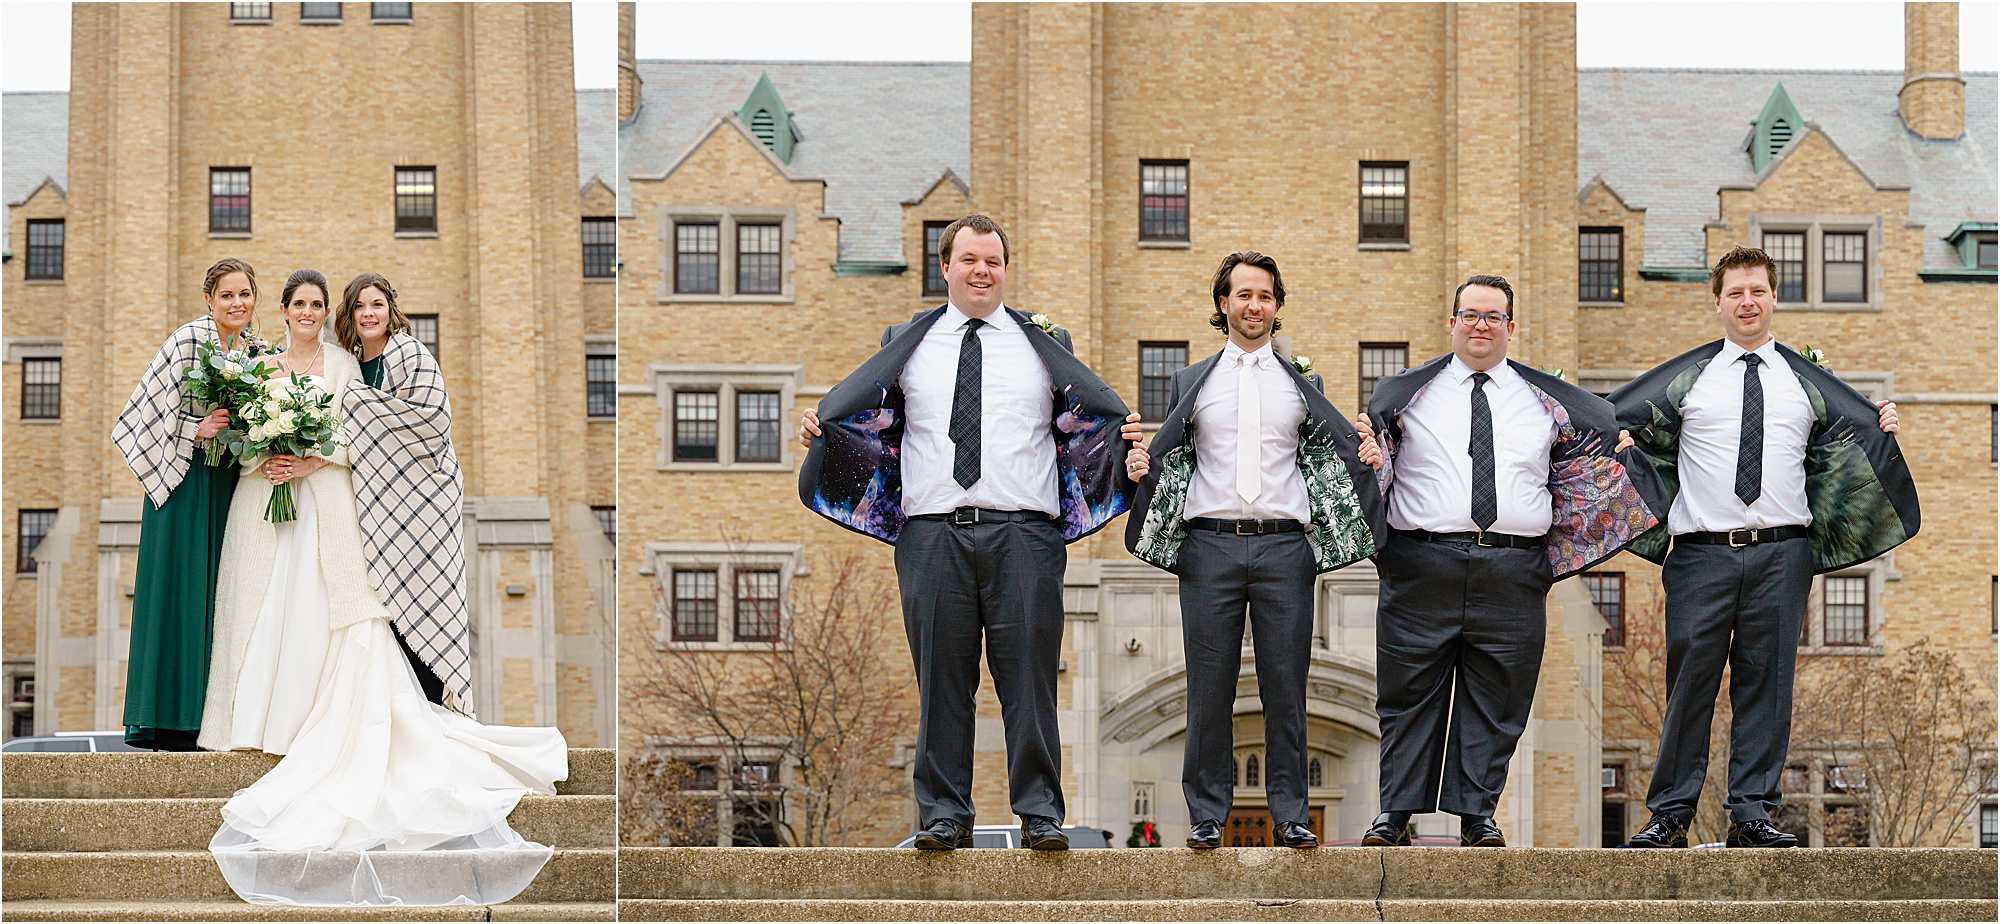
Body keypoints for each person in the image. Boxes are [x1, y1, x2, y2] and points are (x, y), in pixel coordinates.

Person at [200, 269, 566, 907]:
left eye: (319, 303)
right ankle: (254, 717)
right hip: (266, 495)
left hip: (328, 497)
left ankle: (313, 720)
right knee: (261, 605)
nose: (310, 311)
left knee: (331, 607)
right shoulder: (258, 363)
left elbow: (355, 433)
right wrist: (268, 455)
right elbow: (236, 433)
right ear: (282, 310)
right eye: (301, 303)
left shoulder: (344, 366)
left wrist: (311, 458)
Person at [797, 214, 1142, 850]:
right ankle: (944, 817)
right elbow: (875, 426)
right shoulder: (906, 342)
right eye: (970, 260)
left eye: (994, 262)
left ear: (1004, 270)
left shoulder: (1045, 343)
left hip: (1025, 538)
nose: (983, 271)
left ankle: (1039, 814)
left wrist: (1126, 457)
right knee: (943, 681)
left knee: (1030, 681)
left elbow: (1084, 429)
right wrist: (826, 436)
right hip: (931, 537)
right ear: (946, 267)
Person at [1616, 246, 1915, 850]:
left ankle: (1751, 813)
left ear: (1774, 297)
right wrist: (1617, 446)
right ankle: (1670, 814)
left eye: (1757, 291)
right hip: (1700, 553)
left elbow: (1849, 445)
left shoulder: (1807, 382)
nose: (1747, 303)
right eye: (1735, 293)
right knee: (1689, 684)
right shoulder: (1690, 378)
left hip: (1783, 553)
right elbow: (1618, 422)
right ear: (1719, 303)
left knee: (1768, 683)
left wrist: (1881, 425)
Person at [1353, 274, 1666, 848]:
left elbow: (1586, 462)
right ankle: (1395, 815)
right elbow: (1376, 466)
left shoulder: (1545, 401)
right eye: (1470, 315)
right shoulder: (1405, 394)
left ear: (1511, 328)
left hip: (1515, 568)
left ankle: (1477, 815)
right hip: (1421, 562)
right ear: (1452, 323)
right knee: (1407, 692)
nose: (1481, 325)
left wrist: (1622, 462)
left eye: (1493, 317)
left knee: (1499, 695)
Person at [1121, 251, 1386, 850]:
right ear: (1224, 304)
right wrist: (1139, 468)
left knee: (1287, 689)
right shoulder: (1192, 381)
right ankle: (1207, 816)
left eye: (1264, 296)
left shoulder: (1303, 385)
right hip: (1208, 549)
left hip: (1285, 551)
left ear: (1276, 305)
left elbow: (1330, 458)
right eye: (1243, 295)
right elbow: (1171, 458)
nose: (1254, 306)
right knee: (1208, 687)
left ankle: (1290, 815)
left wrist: (1370, 463)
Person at [112, 257, 268, 751]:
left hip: (229, 481)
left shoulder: (259, 351)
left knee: (225, 593)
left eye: (245, 294)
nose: (236, 304)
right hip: (181, 479)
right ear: (209, 299)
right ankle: (168, 718)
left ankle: (219, 720)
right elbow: (138, 414)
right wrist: (191, 429)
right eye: (226, 295)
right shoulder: (186, 341)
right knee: (179, 590)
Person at [335, 273, 470, 712]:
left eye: (376, 305)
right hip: (376, 509)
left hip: (426, 504)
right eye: (359, 307)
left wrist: (359, 406)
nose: (368, 314)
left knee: (428, 600)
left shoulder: (411, 354)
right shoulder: (349, 367)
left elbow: (433, 423)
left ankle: (435, 713)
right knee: (390, 611)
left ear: (391, 311)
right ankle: (403, 718)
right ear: (351, 317)